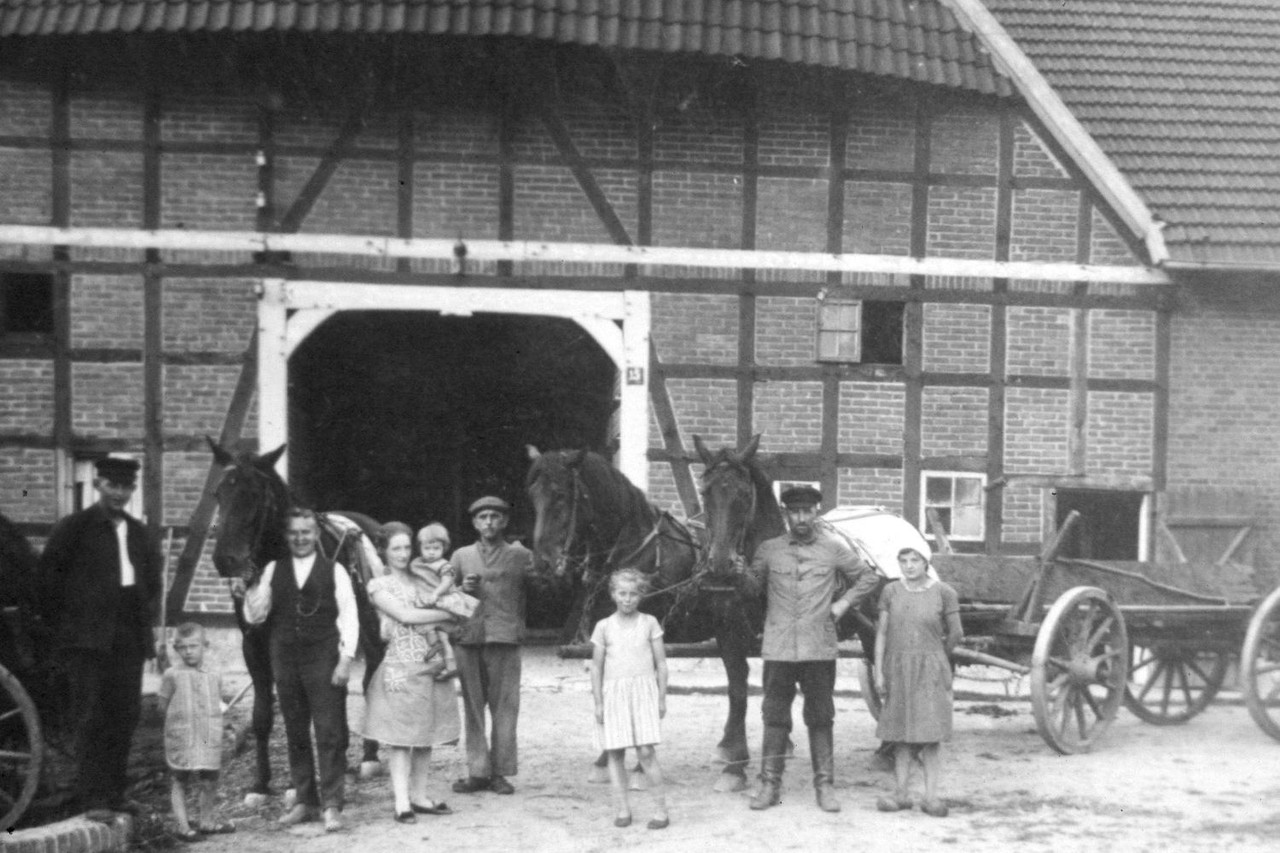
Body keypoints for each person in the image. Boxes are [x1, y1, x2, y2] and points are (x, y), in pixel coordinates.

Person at [741, 484, 879, 813]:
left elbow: (868, 576)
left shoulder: (833, 549)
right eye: (795, 512)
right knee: (774, 717)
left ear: (816, 513)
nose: (801, 518)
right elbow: (752, 589)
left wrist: (843, 603)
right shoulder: (769, 550)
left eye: (807, 511)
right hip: (778, 648)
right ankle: (769, 786)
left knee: (820, 717)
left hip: (818, 647)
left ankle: (825, 787)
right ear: (786, 514)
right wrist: (738, 574)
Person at [37, 456, 161, 815]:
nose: (119, 493)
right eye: (112, 485)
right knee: (91, 715)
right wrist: (68, 629)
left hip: (128, 636)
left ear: (133, 490)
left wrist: (139, 623)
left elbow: (151, 583)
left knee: (125, 714)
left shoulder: (139, 533)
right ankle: (93, 798)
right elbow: (48, 584)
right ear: (97, 485)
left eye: (126, 487)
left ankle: (115, 793)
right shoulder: (73, 529)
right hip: (86, 639)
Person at [243, 507, 358, 832]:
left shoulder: (334, 570)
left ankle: (332, 805)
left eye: (306, 532)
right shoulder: (272, 570)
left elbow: (349, 617)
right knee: (295, 732)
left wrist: (346, 659)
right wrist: (250, 589)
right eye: (294, 532)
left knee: (329, 732)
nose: (300, 538)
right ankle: (306, 801)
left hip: (323, 657)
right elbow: (255, 617)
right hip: (285, 658)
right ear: (287, 536)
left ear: (316, 535)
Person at [358, 521, 462, 823]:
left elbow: (459, 615)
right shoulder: (379, 585)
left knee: (426, 734)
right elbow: (406, 615)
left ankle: (419, 795)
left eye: (407, 547)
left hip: (432, 663)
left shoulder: (423, 580)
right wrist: (448, 612)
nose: (403, 554)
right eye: (396, 548)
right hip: (401, 666)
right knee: (401, 737)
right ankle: (402, 801)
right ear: (384, 552)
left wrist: (453, 613)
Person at [450, 495, 535, 796]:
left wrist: (536, 568)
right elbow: (446, 602)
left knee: (505, 709)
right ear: (475, 523)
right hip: (469, 639)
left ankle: (500, 772)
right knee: (473, 709)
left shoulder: (520, 555)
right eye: (483, 517)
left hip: (505, 639)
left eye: (495, 517)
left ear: (505, 522)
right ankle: (478, 771)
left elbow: (545, 588)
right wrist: (464, 590)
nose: (489, 522)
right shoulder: (460, 556)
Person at [873, 546, 963, 818]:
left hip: (931, 669)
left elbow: (957, 633)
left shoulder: (944, 593)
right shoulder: (891, 592)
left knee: (930, 735)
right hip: (897, 668)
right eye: (904, 561)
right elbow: (882, 634)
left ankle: (931, 797)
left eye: (915, 560)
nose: (909, 566)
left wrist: (936, 657)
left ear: (926, 563)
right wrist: (879, 671)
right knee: (901, 734)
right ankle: (901, 795)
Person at [590, 569, 670, 830]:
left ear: (641, 596)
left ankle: (660, 810)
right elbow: (597, 668)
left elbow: (661, 663)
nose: (627, 599)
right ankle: (623, 809)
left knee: (646, 751)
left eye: (633, 594)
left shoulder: (649, 623)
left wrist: (661, 697)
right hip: (614, 695)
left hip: (643, 693)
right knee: (615, 752)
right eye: (622, 593)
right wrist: (599, 703)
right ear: (613, 594)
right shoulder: (604, 627)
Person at [158, 622, 234, 840]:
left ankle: (207, 821)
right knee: (180, 779)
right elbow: (162, 707)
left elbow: (217, 702)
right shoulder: (172, 675)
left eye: (194, 646)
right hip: (183, 736)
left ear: (205, 645)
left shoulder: (215, 674)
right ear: (176, 649)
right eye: (183, 647)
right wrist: (178, 724)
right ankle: (183, 827)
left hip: (207, 735)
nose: (189, 651)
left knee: (209, 779)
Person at [410, 522, 478, 680]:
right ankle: (443, 656)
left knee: (441, 632)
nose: (432, 552)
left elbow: (447, 581)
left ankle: (446, 658)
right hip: (424, 601)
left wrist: (436, 593)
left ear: (444, 548)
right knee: (432, 630)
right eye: (427, 548)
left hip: (441, 599)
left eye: (436, 548)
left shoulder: (444, 565)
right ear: (420, 547)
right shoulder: (416, 563)